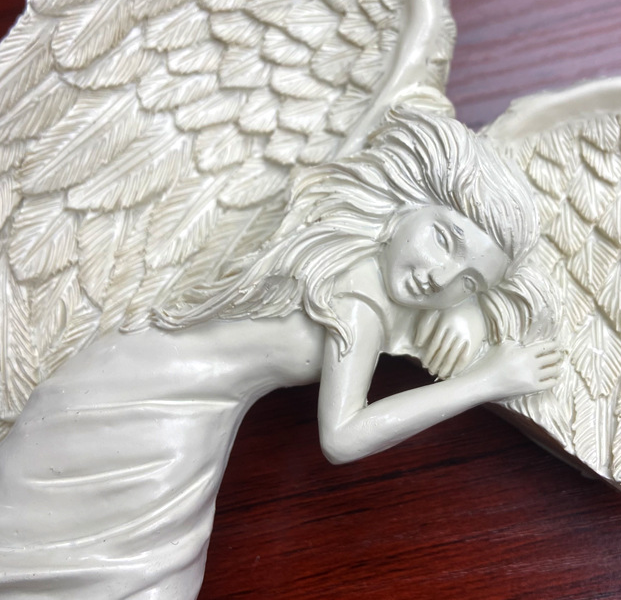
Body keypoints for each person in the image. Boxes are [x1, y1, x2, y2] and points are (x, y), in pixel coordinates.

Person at [0, 109, 561, 599]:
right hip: (149, 413)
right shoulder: (358, 300)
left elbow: (424, 293)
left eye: (467, 280)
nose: (439, 277)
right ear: (407, 204)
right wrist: (483, 382)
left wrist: (464, 311)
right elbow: (344, 437)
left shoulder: (341, 247)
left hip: (144, 385)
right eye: (442, 238)